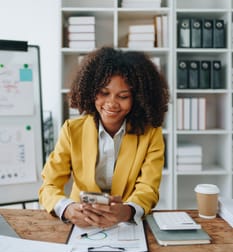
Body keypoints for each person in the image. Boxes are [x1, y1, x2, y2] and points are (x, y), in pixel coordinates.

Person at [39, 46, 169, 228]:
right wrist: (67, 208)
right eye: (104, 93)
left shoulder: (151, 134)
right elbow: (49, 186)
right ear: (91, 91)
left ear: (138, 98)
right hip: (81, 221)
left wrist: (129, 210)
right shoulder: (71, 130)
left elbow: (148, 187)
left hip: (127, 223)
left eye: (123, 96)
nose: (111, 103)